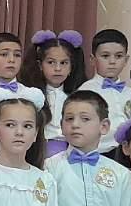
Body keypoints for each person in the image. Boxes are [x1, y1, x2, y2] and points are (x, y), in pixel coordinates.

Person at [22, 30, 86, 158]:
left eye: (64, 63)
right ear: (40, 65)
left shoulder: (80, 96)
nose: (58, 69)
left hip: (72, 153)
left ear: (71, 66)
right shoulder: (29, 95)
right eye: (51, 62)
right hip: (36, 152)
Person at [81, 28, 131, 152]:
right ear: (92, 59)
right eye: (105, 56)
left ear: (126, 60)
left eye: (119, 56)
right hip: (98, 152)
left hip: (128, 154)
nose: (112, 61)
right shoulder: (85, 92)